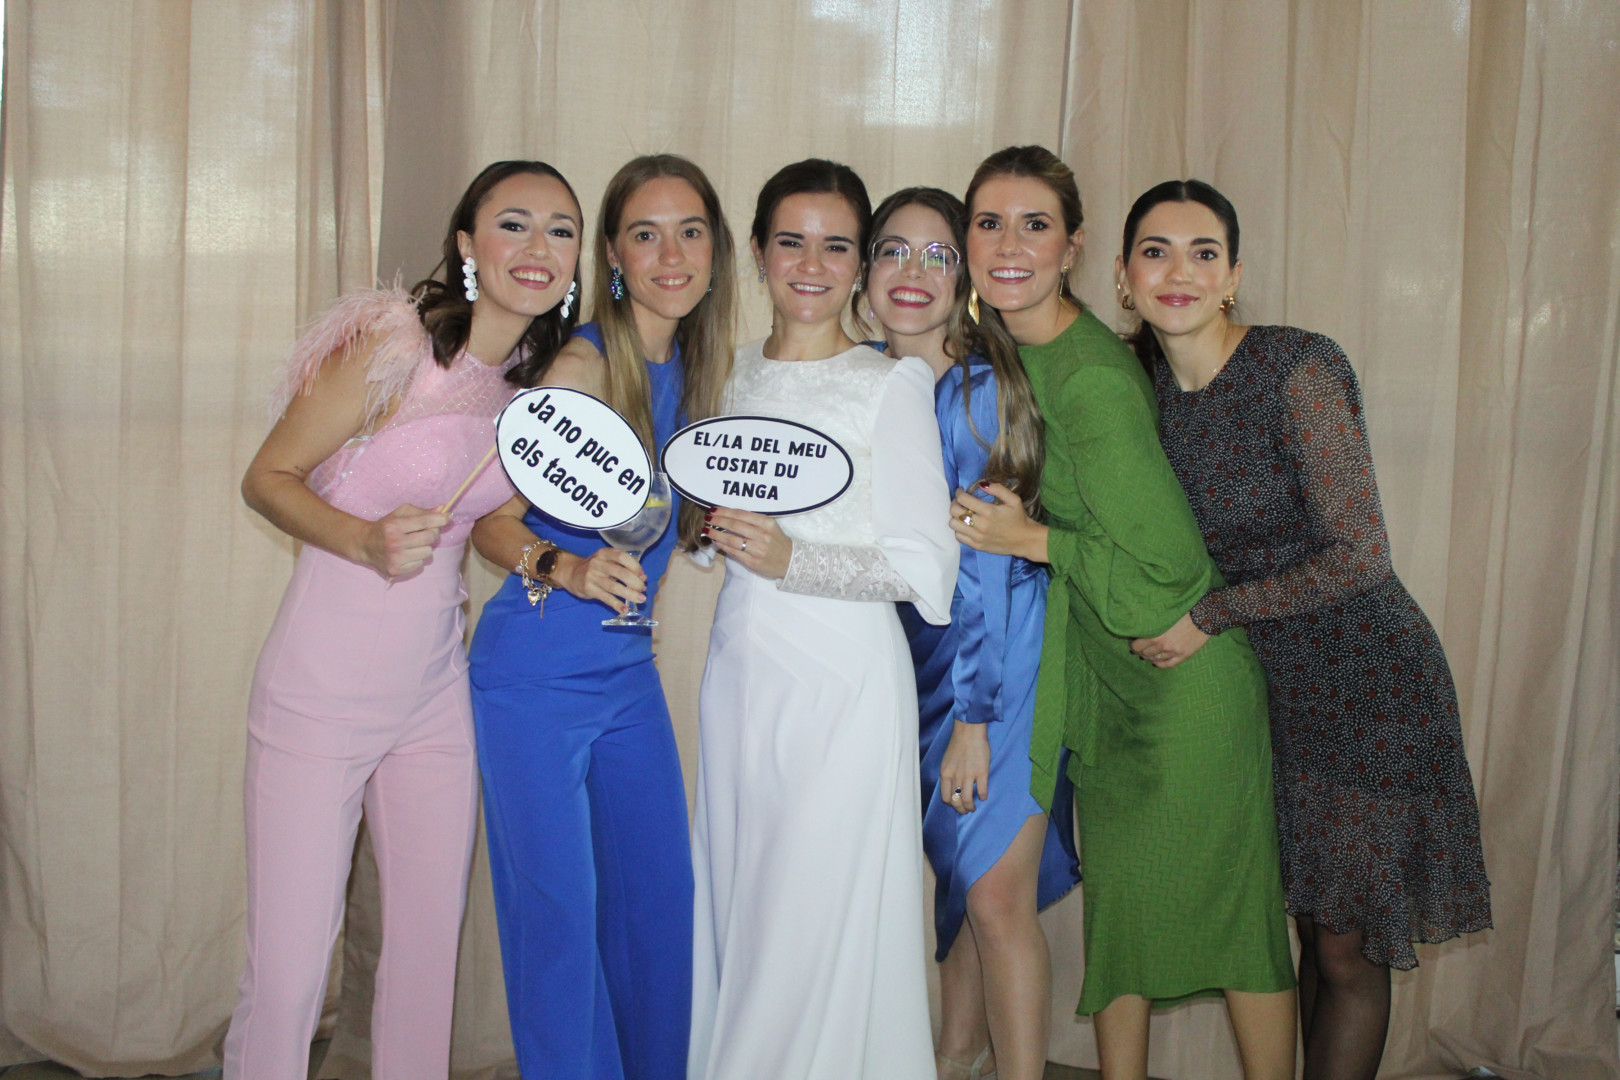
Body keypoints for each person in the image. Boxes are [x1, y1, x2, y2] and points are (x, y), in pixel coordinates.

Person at [1116, 178, 1492, 1080]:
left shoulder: (1296, 365)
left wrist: (1208, 616)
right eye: (1156, 252)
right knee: (1309, 935)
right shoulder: (1143, 395)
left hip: (1371, 686)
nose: (1179, 272)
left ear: (1233, 275)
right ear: (1124, 278)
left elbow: (1360, 554)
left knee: (1344, 952)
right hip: (1274, 698)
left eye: (1203, 253)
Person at [227, 160, 582, 1080]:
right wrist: (363, 538)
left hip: (433, 694)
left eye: (561, 229)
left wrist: (567, 565)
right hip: (318, 691)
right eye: (514, 223)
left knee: (427, 956)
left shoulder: (528, 393)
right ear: (468, 243)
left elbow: (495, 522)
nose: (538, 247)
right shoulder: (391, 346)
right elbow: (267, 478)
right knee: (290, 976)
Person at [950, 146, 1297, 1080]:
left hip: (1184, 694)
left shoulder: (1090, 378)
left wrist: (1034, 540)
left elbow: (1166, 576)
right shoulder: (1013, 354)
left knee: (1236, 927)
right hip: (1111, 690)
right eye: (990, 224)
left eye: (1034, 225)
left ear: (1072, 249)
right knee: (1124, 931)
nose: (1009, 245)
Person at [687, 159, 958, 1080]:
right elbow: (710, 534)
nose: (812, 264)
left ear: (859, 262)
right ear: (757, 252)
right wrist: (700, 531)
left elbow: (927, 572)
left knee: (808, 908)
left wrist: (793, 560)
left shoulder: (890, 384)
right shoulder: (726, 374)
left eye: (836, 245)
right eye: (790, 242)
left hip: (843, 683)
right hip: (740, 671)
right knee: (747, 894)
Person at [466, 154, 736, 1080]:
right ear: (614, 256)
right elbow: (491, 526)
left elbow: (664, 526)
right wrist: (570, 569)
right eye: (646, 235)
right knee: (557, 924)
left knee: (658, 908)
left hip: (626, 676)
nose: (672, 255)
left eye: (690, 232)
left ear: (715, 251)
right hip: (532, 677)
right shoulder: (583, 365)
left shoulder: (694, 373)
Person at [863, 186, 1078, 1080]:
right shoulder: (876, 382)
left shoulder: (975, 389)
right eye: (892, 250)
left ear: (964, 280)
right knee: (960, 879)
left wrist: (975, 720)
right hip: (917, 667)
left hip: (993, 668)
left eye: (937, 254)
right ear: (864, 271)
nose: (912, 271)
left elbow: (993, 568)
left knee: (995, 901)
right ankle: (957, 1056)